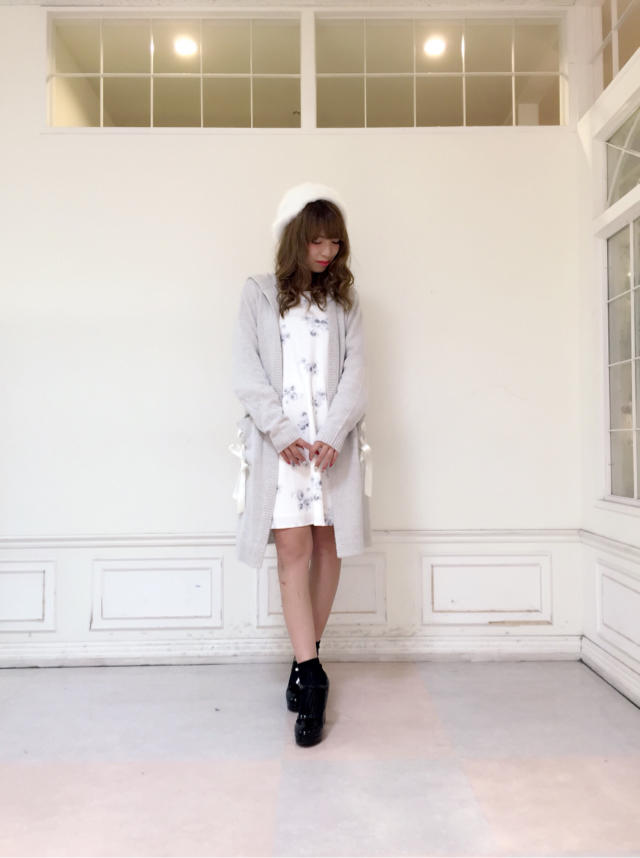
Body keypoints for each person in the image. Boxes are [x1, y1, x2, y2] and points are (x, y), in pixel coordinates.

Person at [230, 181, 373, 747]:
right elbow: (246, 372)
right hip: (282, 448)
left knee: (327, 547)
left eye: (335, 242)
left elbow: (357, 374)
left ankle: (303, 658)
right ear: (295, 239)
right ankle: (312, 676)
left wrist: (333, 434)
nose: (327, 252)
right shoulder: (259, 294)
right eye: (317, 241)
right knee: (292, 549)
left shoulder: (345, 303)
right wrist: (280, 430)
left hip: (329, 447)